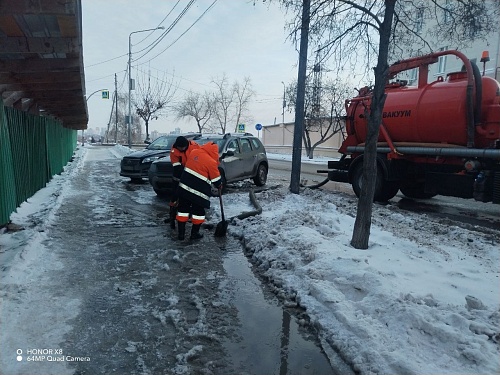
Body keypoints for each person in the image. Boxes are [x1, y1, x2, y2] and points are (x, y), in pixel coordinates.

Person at [176, 142, 222, 240]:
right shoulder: (211, 162)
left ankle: (181, 234)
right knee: (198, 213)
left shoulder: (194, 152)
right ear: (214, 152)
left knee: (182, 210)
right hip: (198, 193)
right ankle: (194, 234)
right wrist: (219, 185)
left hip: (184, 189)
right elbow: (216, 180)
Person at [168, 136, 199, 229]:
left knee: (191, 197)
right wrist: (184, 177)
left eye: (182, 147)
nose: (181, 149)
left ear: (186, 145)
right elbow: (177, 167)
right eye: (179, 148)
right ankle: (172, 214)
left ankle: (189, 214)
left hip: (193, 173)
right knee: (175, 195)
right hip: (179, 175)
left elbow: (200, 160)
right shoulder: (174, 151)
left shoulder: (195, 147)